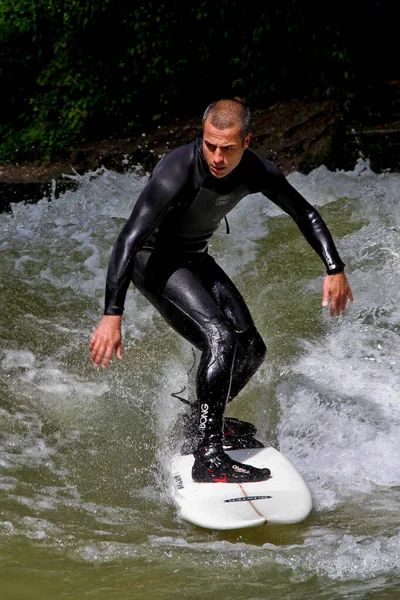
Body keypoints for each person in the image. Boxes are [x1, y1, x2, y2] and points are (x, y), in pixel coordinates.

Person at [89, 99, 353, 484]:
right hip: (155, 260)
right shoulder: (177, 171)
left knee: (252, 349)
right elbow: (128, 238)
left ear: (247, 141)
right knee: (221, 339)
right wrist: (113, 313)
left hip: (194, 257)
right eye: (210, 145)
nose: (216, 156)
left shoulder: (257, 170)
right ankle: (208, 456)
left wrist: (334, 267)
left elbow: (305, 212)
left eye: (227, 148)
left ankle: (202, 423)